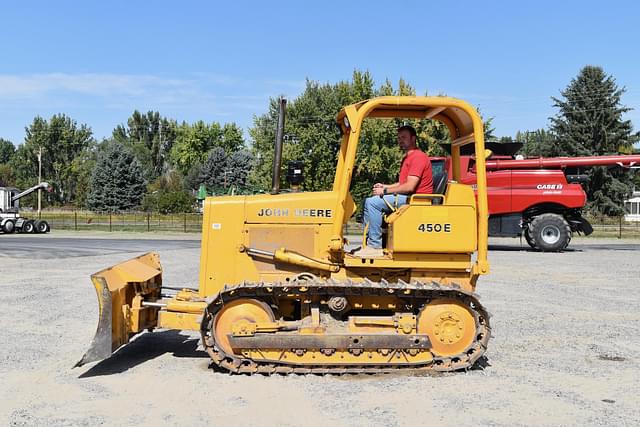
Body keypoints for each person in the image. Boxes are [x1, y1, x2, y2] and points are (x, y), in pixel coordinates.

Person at [353, 125, 433, 258]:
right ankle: (368, 244)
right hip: (408, 197)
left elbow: (410, 187)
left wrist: (384, 190)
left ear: (413, 138)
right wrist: (385, 186)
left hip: (416, 200)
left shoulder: (418, 157)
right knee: (368, 201)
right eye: (399, 138)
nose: (400, 140)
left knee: (373, 203)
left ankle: (375, 246)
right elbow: (403, 183)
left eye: (404, 137)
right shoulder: (407, 158)